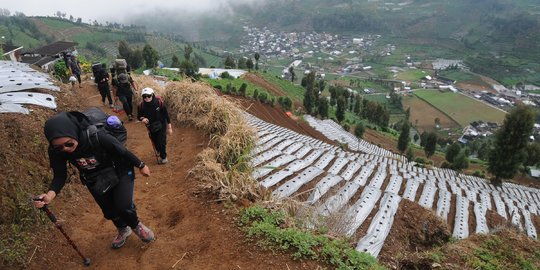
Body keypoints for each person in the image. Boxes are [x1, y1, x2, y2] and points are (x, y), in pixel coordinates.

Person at [34, 111, 155, 249]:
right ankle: (123, 229)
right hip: (94, 178)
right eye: (59, 147)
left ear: (73, 132)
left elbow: (122, 151)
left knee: (123, 206)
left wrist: (141, 165)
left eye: (68, 143)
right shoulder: (56, 151)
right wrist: (50, 195)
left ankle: (136, 225)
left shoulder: (96, 136)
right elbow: (60, 175)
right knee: (109, 211)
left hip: (120, 170)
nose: (65, 149)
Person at [137, 88, 172, 164]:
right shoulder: (141, 106)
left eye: (149, 96)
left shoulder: (159, 102)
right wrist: (142, 119)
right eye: (144, 96)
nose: (147, 98)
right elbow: (139, 116)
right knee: (155, 141)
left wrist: (169, 127)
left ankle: (163, 157)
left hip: (161, 124)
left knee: (161, 141)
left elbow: (166, 115)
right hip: (151, 126)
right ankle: (159, 149)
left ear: (152, 94)